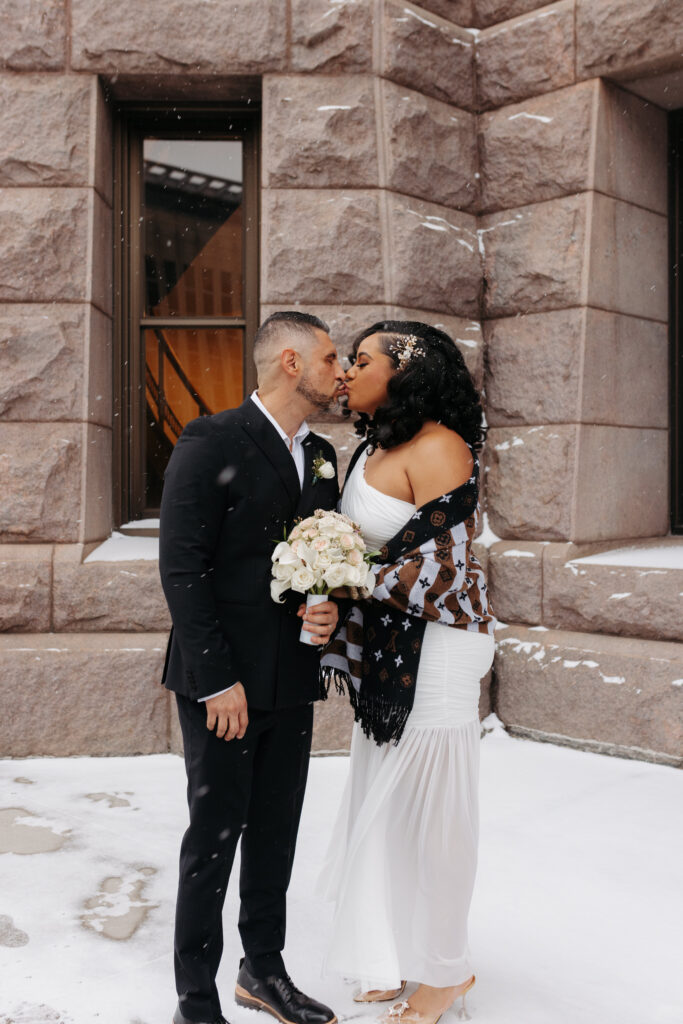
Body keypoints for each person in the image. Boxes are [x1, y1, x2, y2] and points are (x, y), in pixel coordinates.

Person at [159, 311, 344, 1024]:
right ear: (290, 363)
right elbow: (183, 568)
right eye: (330, 357)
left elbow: (319, 563)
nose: (341, 371)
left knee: (275, 834)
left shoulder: (324, 455)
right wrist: (214, 679)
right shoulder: (211, 439)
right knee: (213, 839)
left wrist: (326, 609)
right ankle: (195, 1001)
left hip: (291, 680)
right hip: (222, 685)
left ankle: (262, 972)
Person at [318, 321, 496, 1024]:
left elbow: (441, 570)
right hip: (390, 650)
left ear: (405, 372)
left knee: (436, 819)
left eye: (361, 360)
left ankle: (447, 973)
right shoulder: (373, 445)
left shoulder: (440, 447)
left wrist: (342, 574)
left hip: (441, 649)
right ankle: (394, 950)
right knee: (384, 805)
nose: (348, 371)